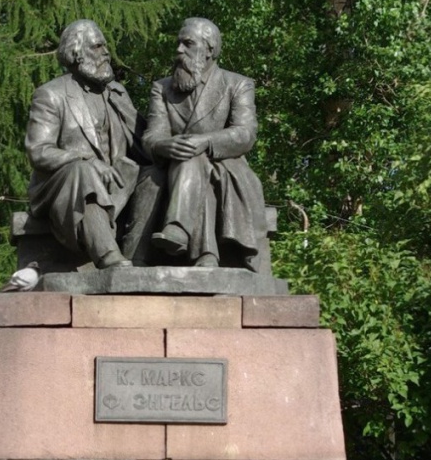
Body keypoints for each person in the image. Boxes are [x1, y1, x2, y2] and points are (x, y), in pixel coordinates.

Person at [123, 18, 266, 271]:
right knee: (183, 158)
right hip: (169, 166)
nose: (179, 50)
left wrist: (205, 142)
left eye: (187, 43)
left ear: (209, 49)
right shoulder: (162, 88)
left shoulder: (237, 84)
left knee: (193, 156)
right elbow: (152, 136)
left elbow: (245, 134)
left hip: (224, 166)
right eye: (178, 43)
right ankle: (202, 254)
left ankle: (178, 230)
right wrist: (163, 146)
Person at [25, 19, 147, 269]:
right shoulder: (51, 94)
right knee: (83, 171)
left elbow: (145, 145)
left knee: (155, 174)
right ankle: (107, 256)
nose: (106, 52)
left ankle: (140, 259)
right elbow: (39, 152)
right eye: (97, 46)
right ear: (76, 54)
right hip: (64, 188)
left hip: (117, 186)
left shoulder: (117, 93)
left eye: (105, 46)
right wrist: (87, 161)